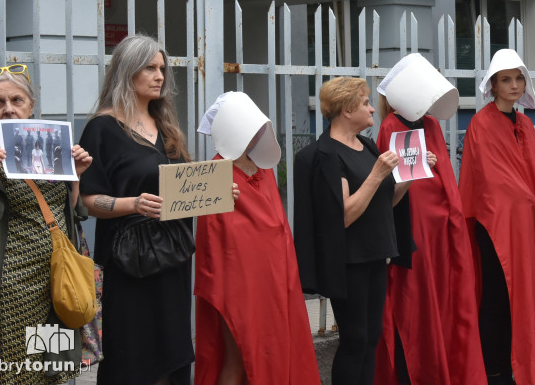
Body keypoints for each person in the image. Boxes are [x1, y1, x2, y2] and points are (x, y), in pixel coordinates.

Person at [0, 64, 92, 384]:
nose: (8, 110)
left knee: (51, 370)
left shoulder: (50, 144)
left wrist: (75, 179)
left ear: (32, 105)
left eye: (17, 101)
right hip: (9, 290)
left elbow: (66, 214)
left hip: (54, 283)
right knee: (17, 372)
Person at [79, 34, 198, 385]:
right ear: (127, 72)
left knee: (172, 351)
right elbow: (88, 201)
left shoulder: (166, 127)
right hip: (127, 264)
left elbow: (181, 188)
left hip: (172, 258)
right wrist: (133, 204)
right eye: (150, 68)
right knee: (133, 354)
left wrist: (217, 193)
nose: (160, 75)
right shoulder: (101, 128)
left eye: (162, 68)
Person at [293, 77, 417, 385]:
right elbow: (344, 215)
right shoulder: (328, 155)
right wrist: (377, 175)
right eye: (365, 103)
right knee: (355, 339)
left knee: (371, 337)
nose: (373, 109)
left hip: (375, 253)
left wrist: (412, 175)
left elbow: (384, 202)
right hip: (349, 261)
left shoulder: (366, 146)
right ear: (347, 109)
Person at [373, 55, 487, 385]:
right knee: (418, 309)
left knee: (450, 308)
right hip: (416, 237)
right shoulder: (391, 126)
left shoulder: (431, 124)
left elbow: (445, 183)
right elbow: (393, 189)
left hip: (442, 233)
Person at [194, 92, 320, 385]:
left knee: (273, 351)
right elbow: (211, 239)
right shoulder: (215, 172)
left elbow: (277, 229)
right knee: (237, 358)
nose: (257, 134)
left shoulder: (264, 170)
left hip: (274, 280)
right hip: (238, 286)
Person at [459, 48, 535, 385]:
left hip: (526, 225)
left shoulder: (526, 125)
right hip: (496, 227)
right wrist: (532, 204)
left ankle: (519, 368)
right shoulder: (481, 123)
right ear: (494, 85)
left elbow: (532, 176)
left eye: (519, 78)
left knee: (525, 298)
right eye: (506, 79)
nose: (515, 85)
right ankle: (495, 371)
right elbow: (491, 181)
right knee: (498, 298)